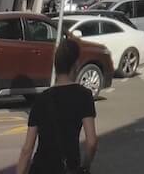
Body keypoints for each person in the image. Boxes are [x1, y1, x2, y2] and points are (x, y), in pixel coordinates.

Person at [15, 36, 98, 174]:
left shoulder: (41, 99)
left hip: (41, 168)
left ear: (56, 67)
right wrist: (85, 167)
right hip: (68, 167)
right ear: (75, 65)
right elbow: (91, 142)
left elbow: (27, 149)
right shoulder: (84, 95)